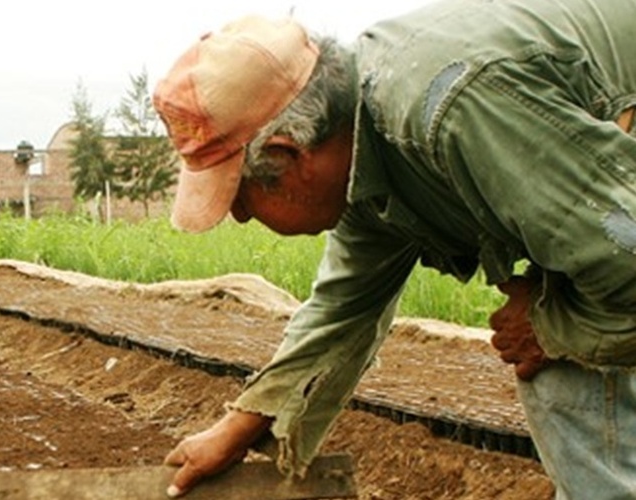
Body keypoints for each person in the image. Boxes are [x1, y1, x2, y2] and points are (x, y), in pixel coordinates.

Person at [152, 1, 636, 498]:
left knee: (564, 371)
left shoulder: (451, 112)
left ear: (287, 154)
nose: (240, 217)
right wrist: (236, 429)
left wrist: (545, 326)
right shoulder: (359, 147)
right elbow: (343, 309)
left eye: (240, 196)